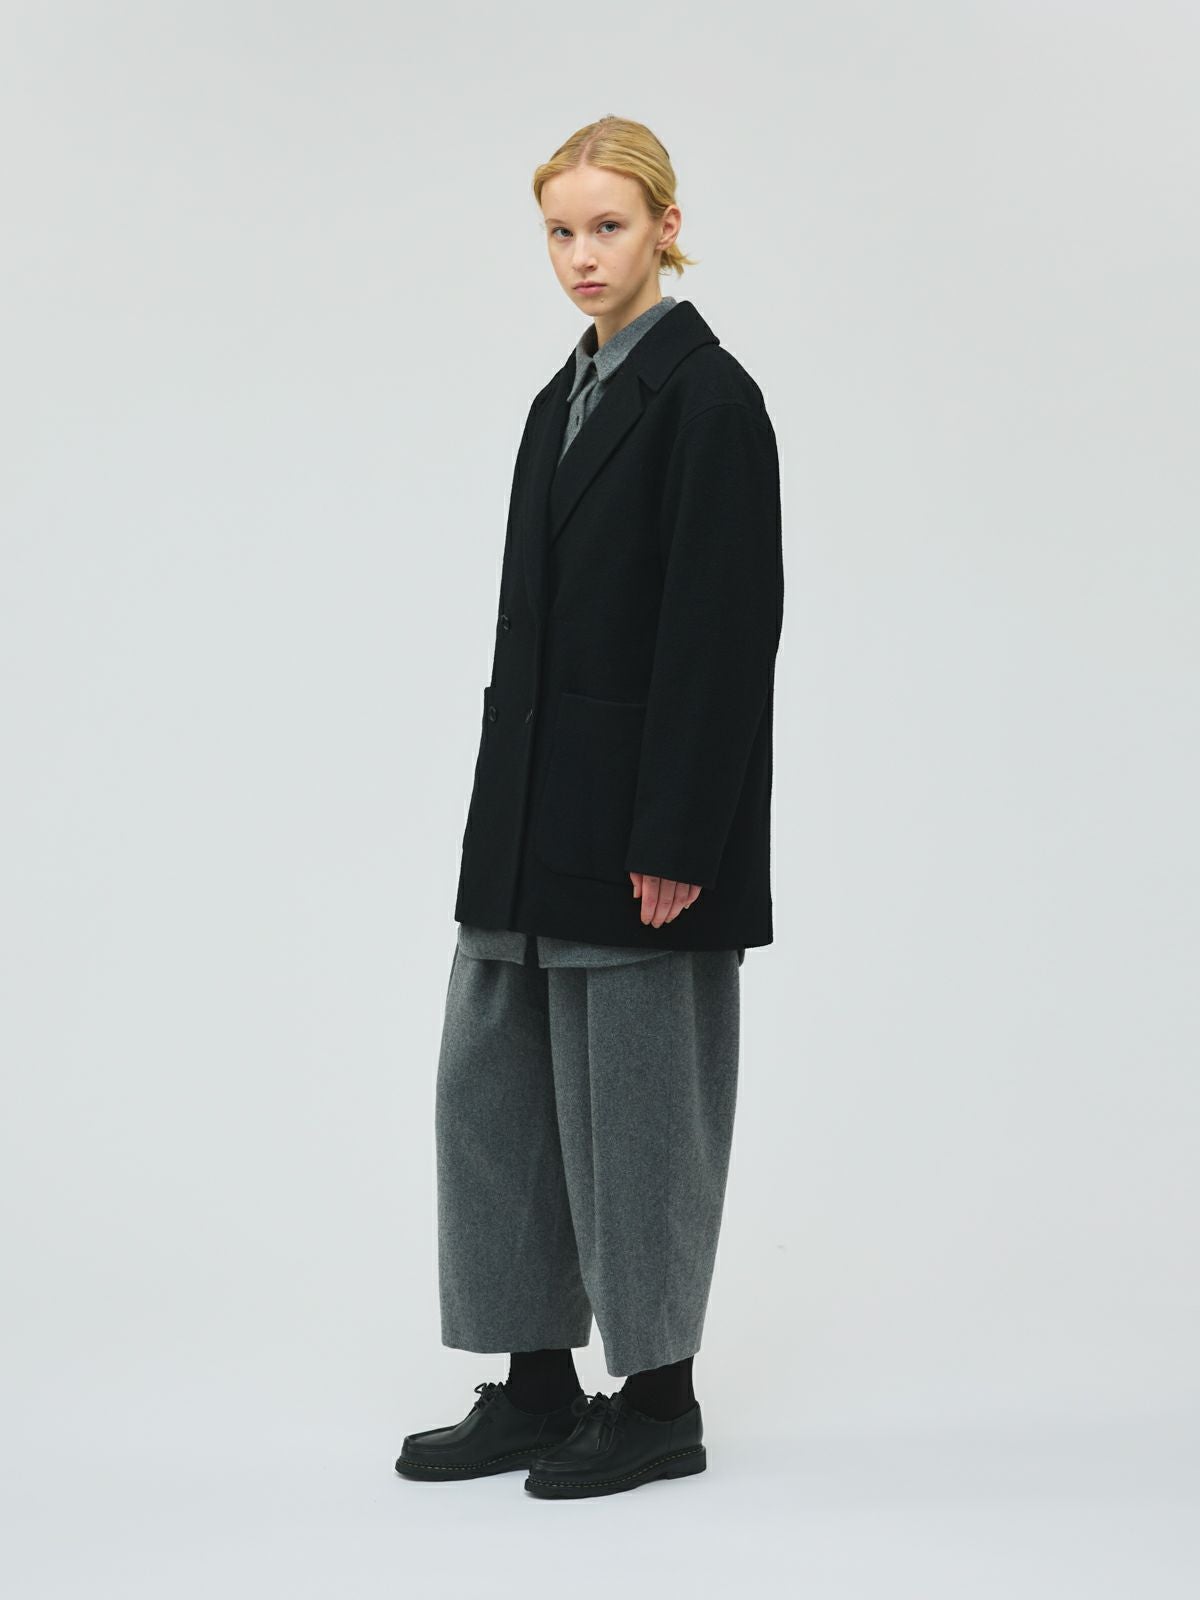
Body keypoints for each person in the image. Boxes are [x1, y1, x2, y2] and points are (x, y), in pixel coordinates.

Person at [395, 115, 784, 1499]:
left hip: (641, 837)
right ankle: (537, 1385)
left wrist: (679, 836)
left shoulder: (711, 401)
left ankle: (660, 1401)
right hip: (527, 827)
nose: (581, 255)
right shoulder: (556, 398)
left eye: (608, 226)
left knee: (638, 1116)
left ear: (667, 228)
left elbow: (722, 639)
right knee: (493, 1100)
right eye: (560, 230)